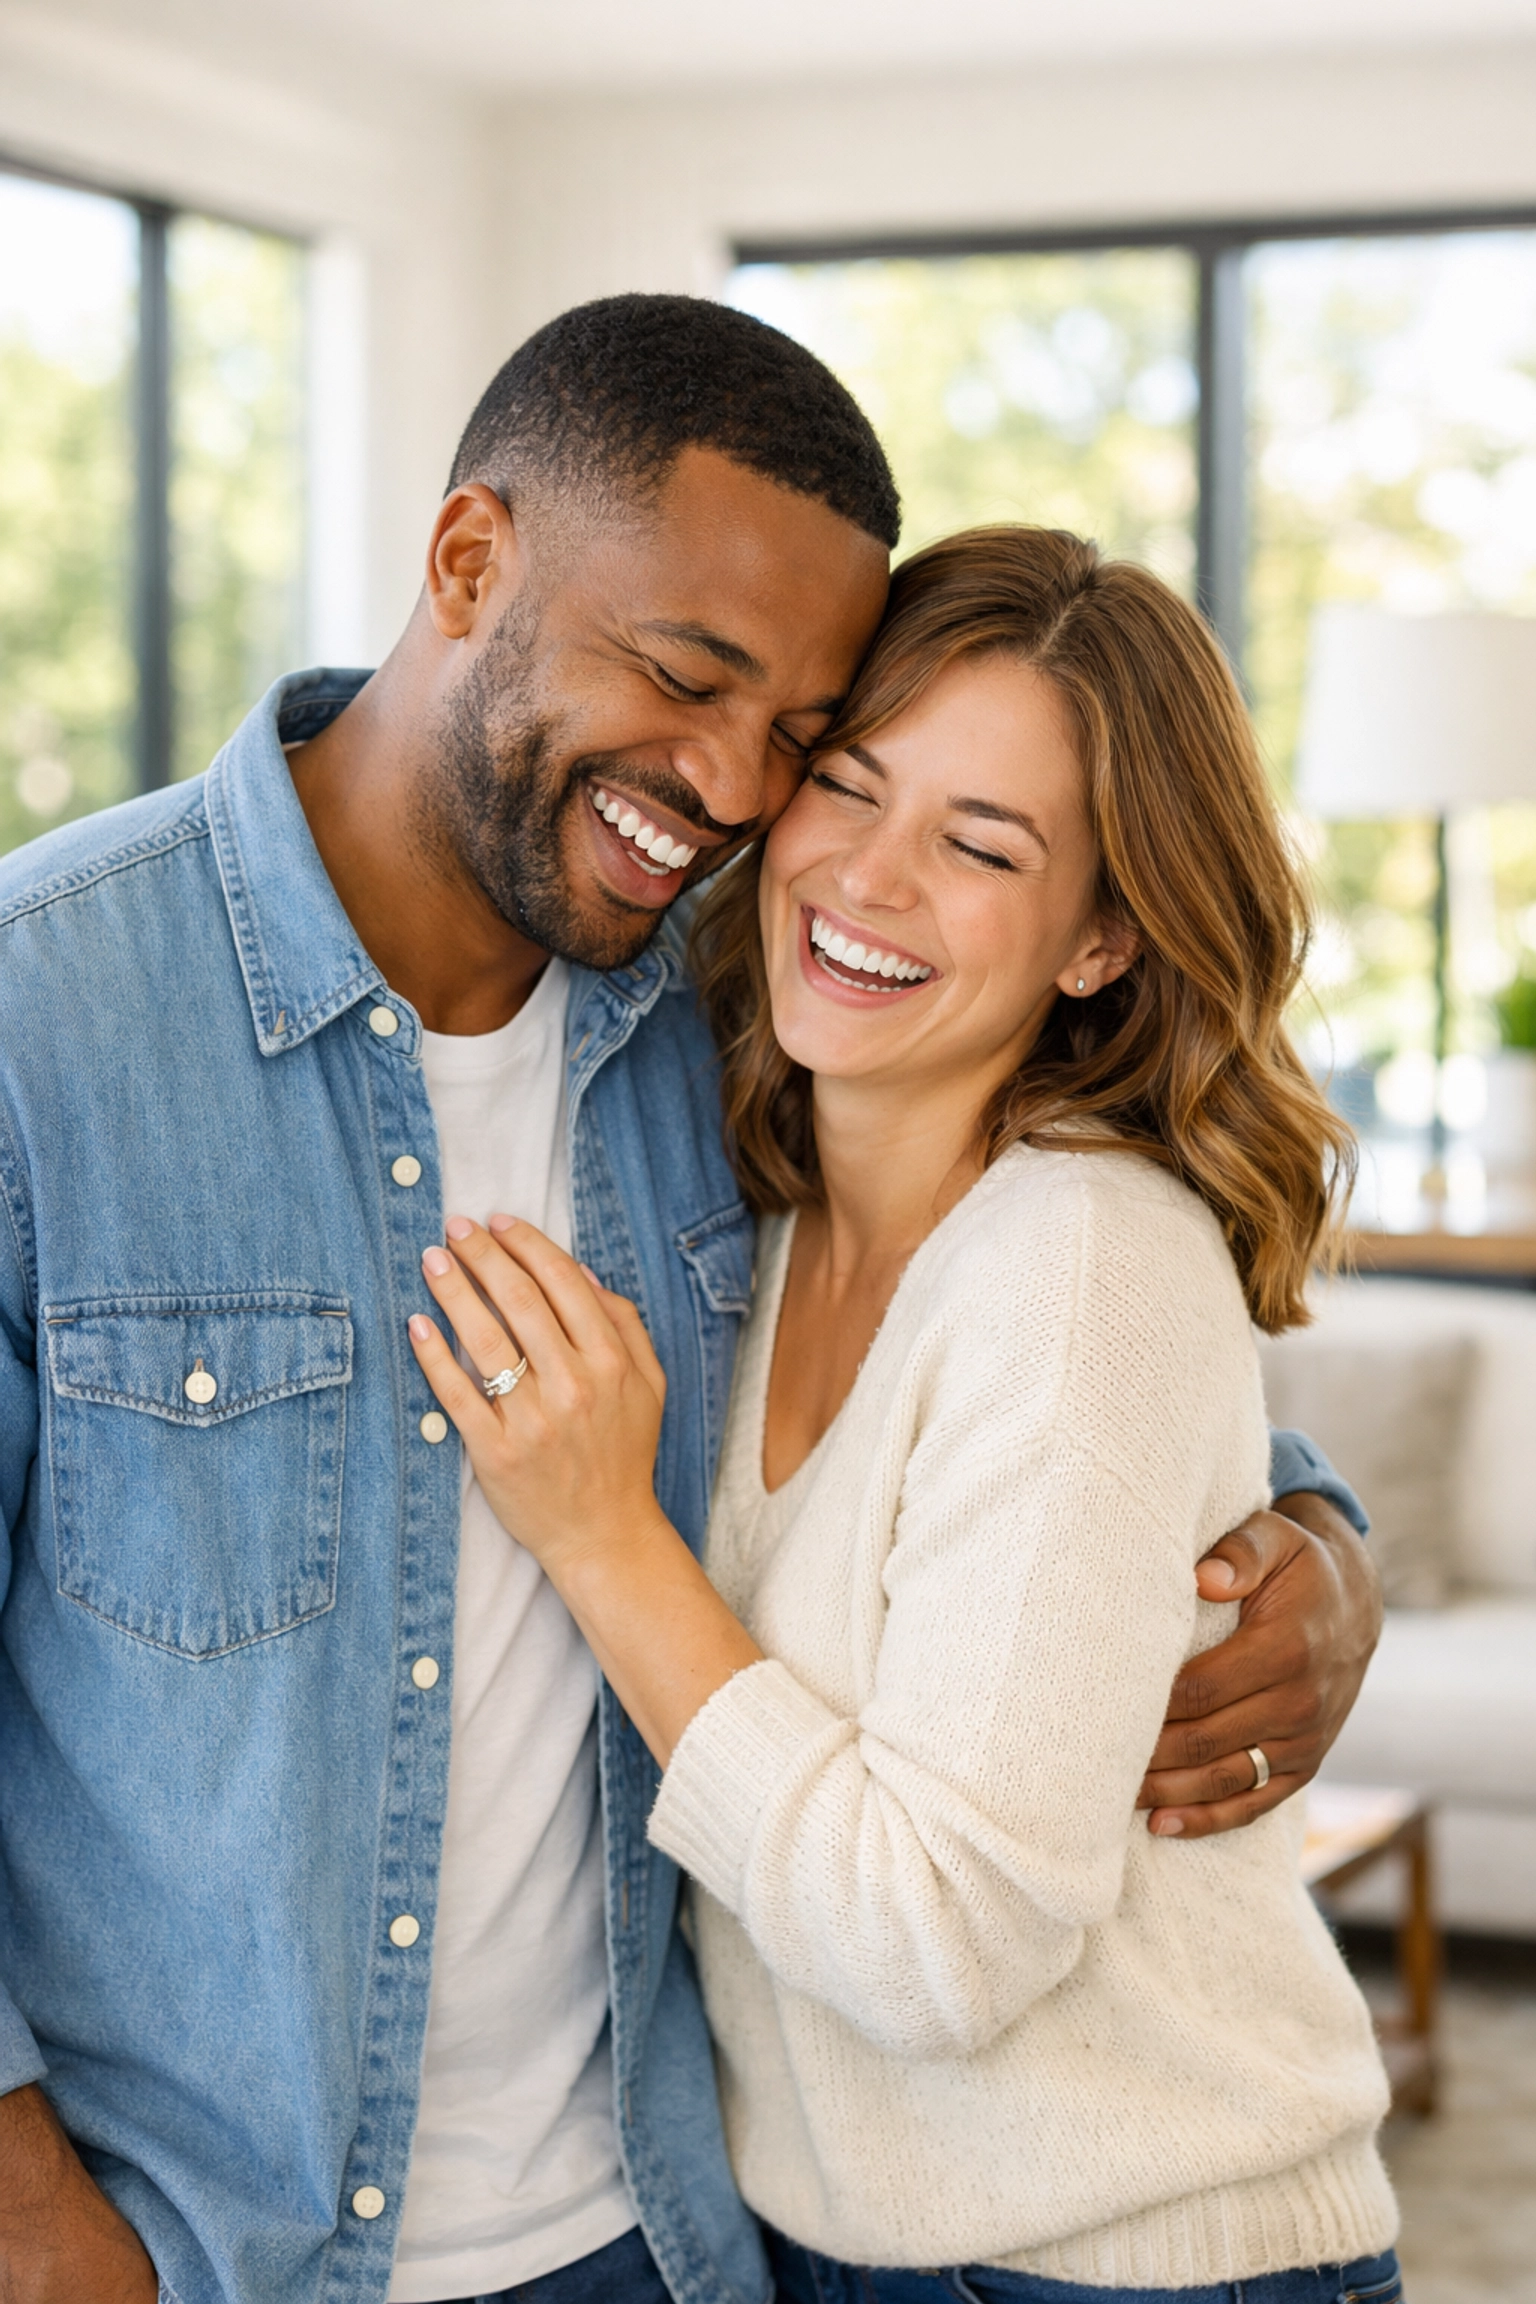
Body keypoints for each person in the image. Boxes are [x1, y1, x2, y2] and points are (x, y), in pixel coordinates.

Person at [0, 299, 1376, 2304]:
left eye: (798, 732)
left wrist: (1312, 1541)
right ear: (469, 561)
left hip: (661, 2231)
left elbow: (1039, 1341)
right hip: (204, 2251)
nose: (739, 792)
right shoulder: (49, 1022)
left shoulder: (722, 1014)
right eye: (687, 674)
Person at [407, 524, 1401, 2304]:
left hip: (1130, 2263)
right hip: (831, 2244)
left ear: (1101, 940)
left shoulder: (1080, 1261)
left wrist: (600, 1533)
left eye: (981, 845)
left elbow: (938, 1946)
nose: (867, 878)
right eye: (848, 786)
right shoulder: (756, 1215)